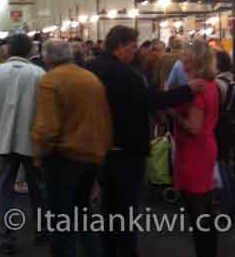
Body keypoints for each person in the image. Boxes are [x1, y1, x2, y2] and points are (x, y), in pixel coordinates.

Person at [87, 26, 205, 257]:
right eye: (132, 47)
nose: (135, 52)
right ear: (119, 46)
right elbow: (149, 100)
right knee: (125, 205)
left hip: (101, 145)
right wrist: (187, 91)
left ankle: (109, 248)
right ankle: (127, 250)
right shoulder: (122, 72)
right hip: (126, 148)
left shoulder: (92, 67)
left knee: (109, 204)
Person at [32, 40, 112, 257]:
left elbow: (46, 127)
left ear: (47, 57)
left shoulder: (50, 81)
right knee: (84, 215)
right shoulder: (91, 78)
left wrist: (38, 154)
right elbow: (104, 119)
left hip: (62, 158)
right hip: (91, 156)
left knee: (60, 220)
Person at [0, 34, 46, 253]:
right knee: (38, 189)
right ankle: (41, 232)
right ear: (29, 51)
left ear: (8, 50)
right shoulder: (39, 74)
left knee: (5, 190)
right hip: (32, 141)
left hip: (3, 139)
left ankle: (6, 237)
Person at [168, 40, 219, 257]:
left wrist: (172, 113)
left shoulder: (198, 90)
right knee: (205, 205)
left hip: (194, 150)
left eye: (186, 54)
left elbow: (194, 127)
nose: (181, 57)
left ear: (196, 59)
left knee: (198, 209)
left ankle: (204, 252)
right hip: (203, 147)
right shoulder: (209, 85)